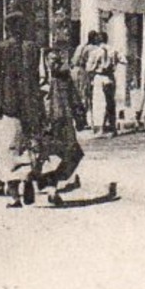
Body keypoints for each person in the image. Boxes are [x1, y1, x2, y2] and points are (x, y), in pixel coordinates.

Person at [0, 9, 44, 208]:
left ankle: (14, 195)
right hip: (30, 106)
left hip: (7, 106)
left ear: (6, 28)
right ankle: (28, 178)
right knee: (28, 145)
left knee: (4, 148)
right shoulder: (35, 49)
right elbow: (42, 77)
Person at [33, 46, 85, 198]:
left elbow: (74, 98)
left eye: (58, 61)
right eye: (52, 60)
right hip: (46, 123)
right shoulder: (37, 79)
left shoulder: (65, 78)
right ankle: (50, 187)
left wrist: (80, 117)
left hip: (64, 122)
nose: (55, 64)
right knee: (47, 156)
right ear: (45, 61)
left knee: (74, 154)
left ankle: (49, 179)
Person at [84, 30, 119, 135]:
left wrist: (96, 68)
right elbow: (124, 60)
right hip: (110, 77)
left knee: (99, 103)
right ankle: (112, 126)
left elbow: (88, 68)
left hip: (99, 77)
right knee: (111, 102)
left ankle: (100, 128)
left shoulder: (95, 52)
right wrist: (113, 64)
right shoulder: (113, 50)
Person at [68, 33, 96, 131]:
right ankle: (82, 120)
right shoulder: (92, 48)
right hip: (82, 71)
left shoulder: (80, 46)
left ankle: (77, 120)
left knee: (76, 96)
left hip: (74, 71)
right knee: (84, 96)